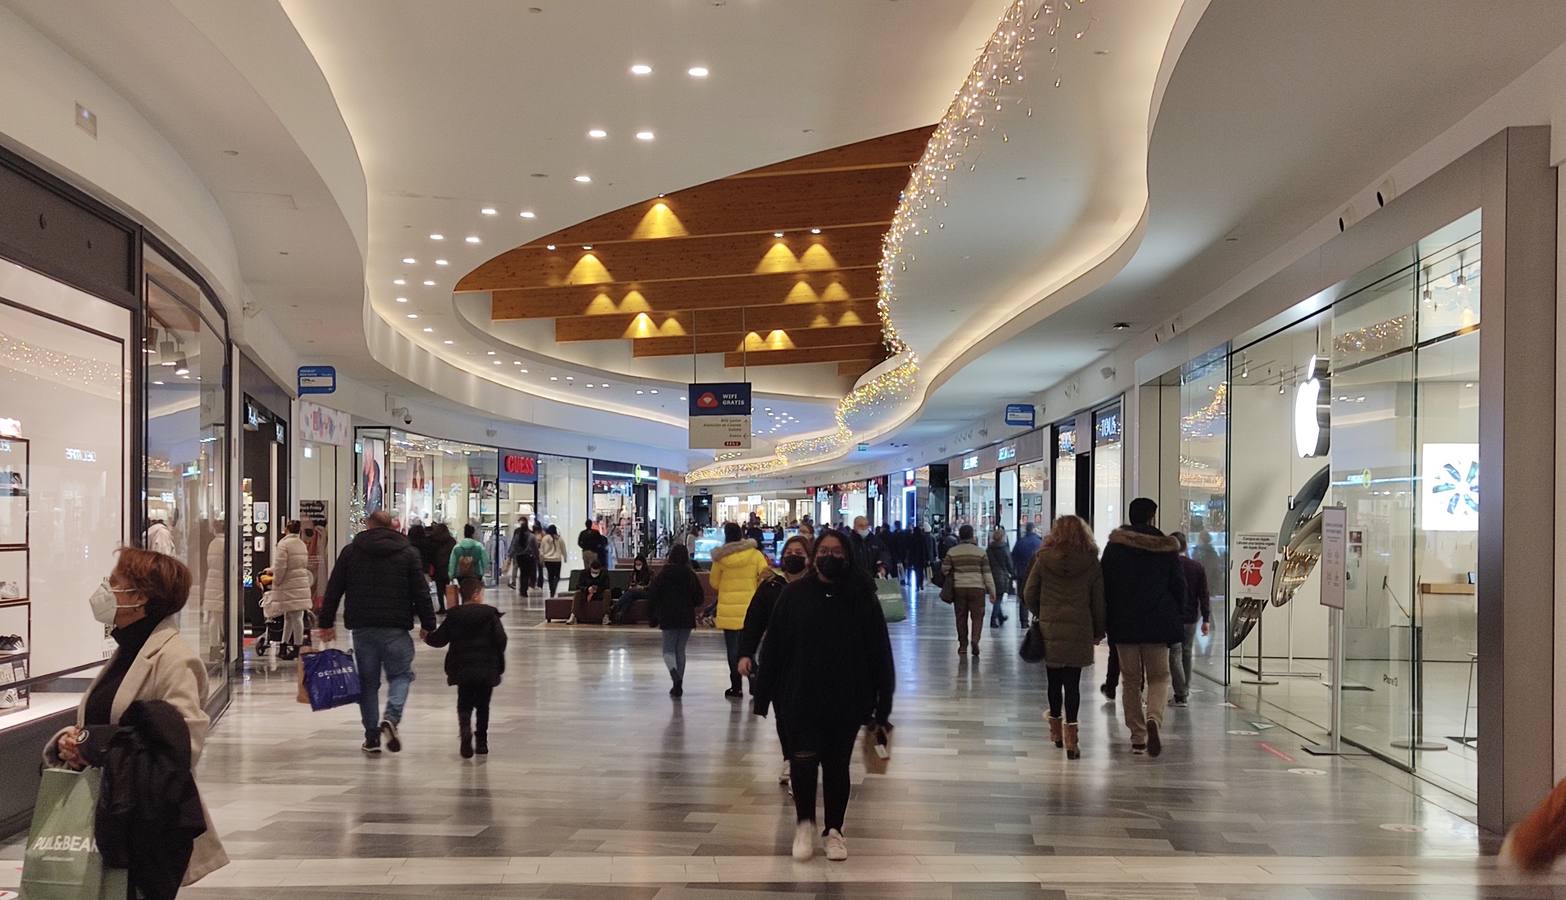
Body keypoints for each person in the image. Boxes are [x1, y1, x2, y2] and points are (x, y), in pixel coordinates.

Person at [45, 548, 229, 891]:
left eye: (114, 582)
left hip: (147, 829)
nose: (106, 589)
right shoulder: (126, 651)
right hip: (107, 817)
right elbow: (102, 724)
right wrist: (69, 742)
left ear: (140, 597)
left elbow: (181, 747)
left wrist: (96, 745)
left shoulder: (175, 659)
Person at [753, 530, 894, 862]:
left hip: (847, 699)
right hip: (800, 696)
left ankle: (834, 830)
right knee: (802, 764)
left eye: (837, 551)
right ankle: (804, 823)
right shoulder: (794, 595)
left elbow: (879, 652)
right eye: (824, 551)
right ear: (814, 556)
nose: (830, 556)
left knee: (835, 766)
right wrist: (764, 695)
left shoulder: (861, 596)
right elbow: (774, 648)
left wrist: (882, 704)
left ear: (847, 556)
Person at [318, 510, 435, 754]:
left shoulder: (351, 552)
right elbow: (421, 591)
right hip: (396, 627)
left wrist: (326, 622)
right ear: (393, 525)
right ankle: (391, 717)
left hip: (362, 628)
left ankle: (371, 737)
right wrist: (428, 624)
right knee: (401, 675)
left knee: (368, 684)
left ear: (368, 525)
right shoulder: (408, 553)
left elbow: (334, 587)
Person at [1101, 498, 1186, 757]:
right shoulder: (1166, 548)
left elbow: (1103, 585)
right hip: (1157, 623)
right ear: (1152, 517)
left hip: (1124, 624)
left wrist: (1105, 619)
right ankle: (1154, 719)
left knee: (1131, 680)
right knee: (1159, 677)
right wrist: (1175, 614)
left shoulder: (1115, 548)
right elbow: (1179, 586)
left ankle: (1137, 736)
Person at [1022, 515, 1105, 761]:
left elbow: (1029, 592)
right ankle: (1072, 739)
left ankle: (1056, 732)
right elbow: (1098, 601)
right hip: (1079, 628)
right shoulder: (1091, 562)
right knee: (1073, 684)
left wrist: (1041, 612)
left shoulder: (1044, 558)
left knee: (1053, 682)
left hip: (1051, 628)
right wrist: (1098, 630)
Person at [738, 534, 812, 785]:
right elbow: (753, 622)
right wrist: (745, 653)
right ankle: (790, 759)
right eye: (789, 551)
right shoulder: (770, 587)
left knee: (807, 713)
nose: (793, 555)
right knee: (784, 712)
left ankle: (804, 759)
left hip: (812, 661)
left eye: (799, 552)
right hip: (779, 661)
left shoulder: (819, 585)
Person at [425, 575, 507, 758]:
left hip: (462, 668)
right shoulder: (490, 615)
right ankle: (482, 742)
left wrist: (426, 637)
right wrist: (496, 656)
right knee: (483, 706)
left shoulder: (454, 615)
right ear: (477, 594)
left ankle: (465, 731)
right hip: (486, 668)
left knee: (464, 704)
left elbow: (440, 639)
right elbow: (501, 640)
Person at [709, 522, 773, 699]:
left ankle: (736, 687)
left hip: (728, 609)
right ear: (741, 534)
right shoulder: (754, 554)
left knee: (732, 650)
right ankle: (754, 682)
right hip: (750, 608)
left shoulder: (721, 558)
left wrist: (728, 585)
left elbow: (714, 582)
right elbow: (764, 573)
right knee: (749, 647)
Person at [648, 544, 705, 697]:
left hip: (668, 615)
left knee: (668, 650)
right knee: (680, 650)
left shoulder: (663, 574)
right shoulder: (690, 575)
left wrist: (653, 614)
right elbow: (699, 598)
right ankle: (678, 684)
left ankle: (675, 676)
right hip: (686, 616)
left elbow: (653, 594)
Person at [1168, 532, 1213, 707]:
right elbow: (1204, 594)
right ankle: (1184, 689)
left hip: (1173, 617)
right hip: (1191, 617)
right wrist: (1206, 618)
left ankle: (1180, 693)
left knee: (1175, 654)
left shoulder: (1168, 567)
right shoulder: (1196, 567)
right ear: (1186, 546)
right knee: (1186, 652)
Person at [941, 524, 997, 657]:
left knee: (961, 617)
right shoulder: (981, 552)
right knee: (977, 616)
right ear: (972, 536)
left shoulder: (952, 552)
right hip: (977, 588)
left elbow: (944, 570)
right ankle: (975, 640)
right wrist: (992, 591)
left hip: (959, 588)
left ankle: (963, 645)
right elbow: (987, 574)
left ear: (960, 535)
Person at [267, 520, 315, 655]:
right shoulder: (301, 544)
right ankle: (286, 644)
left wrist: (276, 580)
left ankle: (295, 646)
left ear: (286, 528)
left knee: (292, 617)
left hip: (288, 584)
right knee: (293, 616)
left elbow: (281, 566)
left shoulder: (283, 544)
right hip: (300, 583)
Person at [1011, 521, 1043, 628]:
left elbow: (1013, 557)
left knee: (1023, 598)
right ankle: (1036, 617)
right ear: (1034, 529)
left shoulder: (1020, 542)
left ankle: (1024, 621)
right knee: (1038, 596)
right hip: (1037, 574)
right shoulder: (1039, 543)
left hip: (1022, 574)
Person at [448, 523, 490, 598]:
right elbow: (485, 561)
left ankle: (465, 605)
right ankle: (473, 606)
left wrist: (451, 575)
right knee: (475, 593)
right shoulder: (479, 546)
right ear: (473, 534)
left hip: (461, 574)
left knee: (464, 593)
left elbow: (452, 563)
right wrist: (483, 571)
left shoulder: (457, 547)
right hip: (476, 574)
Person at [569, 556, 612, 625]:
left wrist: (596, 589)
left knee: (607, 592)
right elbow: (578, 586)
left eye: (596, 572)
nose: (594, 573)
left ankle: (605, 616)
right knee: (577, 593)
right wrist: (587, 589)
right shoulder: (584, 573)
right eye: (593, 572)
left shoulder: (604, 573)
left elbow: (606, 586)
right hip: (586, 593)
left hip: (599, 593)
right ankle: (573, 615)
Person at [986, 526, 1015, 629]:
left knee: (997, 596)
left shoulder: (989, 549)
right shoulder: (1004, 548)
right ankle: (993, 620)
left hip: (990, 575)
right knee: (998, 598)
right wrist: (1012, 573)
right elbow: (1009, 562)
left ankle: (1001, 617)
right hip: (1002, 576)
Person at [612, 552, 653, 624]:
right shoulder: (634, 573)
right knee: (630, 596)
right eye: (636, 564)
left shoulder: (650, 572)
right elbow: (630, 583)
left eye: (639, 564)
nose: (638, 566)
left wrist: (642, 587)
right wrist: (632, 586)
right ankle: (620, 614)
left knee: (631, 592)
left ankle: (615, 606)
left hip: (646, 592)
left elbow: (651, 585)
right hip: (634, 592)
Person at [428, 523, 457, 614]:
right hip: (448, 567)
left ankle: (442, 607)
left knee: (439, 588)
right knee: (447, 587)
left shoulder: (433, 540)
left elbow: (431, 555)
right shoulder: (451, 541)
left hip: (438, 567)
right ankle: (450, 606)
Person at [539, 524, 567, 597]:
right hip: (557, 560)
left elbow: (541, 550)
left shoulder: (545, 538)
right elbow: (563, 549)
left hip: (548, 560)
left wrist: (541, 559)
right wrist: (565, 557)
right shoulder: (559, 538)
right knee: (557, 576)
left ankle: (552, 590)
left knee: (550, 576)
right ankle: (554, 588)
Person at [509, 517, 536, 593]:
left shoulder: (517, 533)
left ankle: (520, 587)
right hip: (528, 556)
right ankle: (524, 588)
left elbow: (514, 544)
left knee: (520, 571)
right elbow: (534, 547)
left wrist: (510, 555)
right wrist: (536, 556)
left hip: (519, 556)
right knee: (526, 573)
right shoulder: (531, 534)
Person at [907, 524, 931, 590]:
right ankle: (921, 584)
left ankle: (917, 585)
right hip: (922, 558)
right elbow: (925, 549)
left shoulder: (912, 538)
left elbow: (910, 549)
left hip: (914, 558)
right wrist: (927, 558)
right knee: (921, 572)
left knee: (916, 572)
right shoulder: (923, 538)